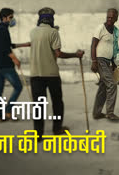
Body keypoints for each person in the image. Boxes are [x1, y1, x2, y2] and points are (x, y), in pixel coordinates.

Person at [29, 7, 84, 140]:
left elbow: (42, 41)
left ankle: (38, 134)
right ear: (51, 19)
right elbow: (58, 54)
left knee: (38, 105)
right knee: (57, 102)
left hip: (35, 74)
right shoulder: (54, 32)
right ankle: (57, 128)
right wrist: (76, 55)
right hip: (51, 74)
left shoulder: (33, 32)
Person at [0, 8, 29, 121]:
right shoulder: (2, 30)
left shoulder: (0, 29)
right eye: (11, 17)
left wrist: (24, 44)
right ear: (4, 18)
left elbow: (8, 45)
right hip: (5, 66)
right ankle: (8, 111)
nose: (12, 20)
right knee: (18, 87)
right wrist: (15, 60)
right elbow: (6, 49)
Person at [91, 8, 119, 121]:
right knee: (112, 84)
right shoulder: (100, 28)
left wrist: (115, 64)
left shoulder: (116, 31)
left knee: (104, 87)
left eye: (112, 17)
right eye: (108, 17)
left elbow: (114, 48)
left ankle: (96, 113)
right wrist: (94, 61)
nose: (109, 19)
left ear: (116, 18)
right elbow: (93, 45)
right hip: (100, 61)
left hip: (109, 62)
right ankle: (110, 113)